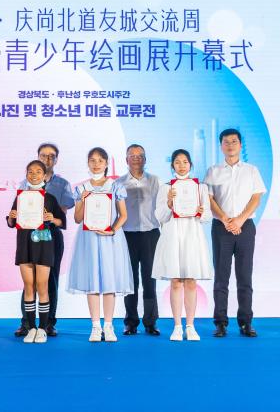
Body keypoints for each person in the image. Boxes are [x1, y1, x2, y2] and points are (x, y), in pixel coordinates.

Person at [67, 147, 134, 342]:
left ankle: (109, 325)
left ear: (106, 164)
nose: (96, 164)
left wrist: (112, 230)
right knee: (93, 281)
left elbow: (123, 215)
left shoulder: (115, 186)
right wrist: (82, 201)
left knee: (109, 281)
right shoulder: (82, 188)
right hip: (88, 239)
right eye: (92, 160)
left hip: (110, 239)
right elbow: (77, 218)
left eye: (100, 160)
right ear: (88, 163)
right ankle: (96, 326)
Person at [204, 128, 266, 337]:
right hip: (221, 227)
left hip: (245, 226)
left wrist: (239, 219)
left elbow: (256, 198)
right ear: (221, 146)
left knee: (244, 276)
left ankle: (245, 322)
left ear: (240, 145)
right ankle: (220, 323)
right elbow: (209, 199)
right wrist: (225, 219)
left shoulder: (251, 170)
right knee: (221, 277)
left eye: (234, 141)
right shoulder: (213, 171)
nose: (230, 145)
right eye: (226, 142)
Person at [14, 143, 74, 338]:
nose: (47, 159)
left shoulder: (62, 184)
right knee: (29, 281)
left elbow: (62, 213)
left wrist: (50, 219)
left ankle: (48, 324)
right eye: (43, 155)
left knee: (50, 279)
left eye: (51, 156)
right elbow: (18, 212)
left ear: (56, 160)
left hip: (51, 235)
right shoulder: (24, 184)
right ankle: (27, 323)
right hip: (28, 236)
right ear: (37, 156)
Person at [152, 149, 213, 341]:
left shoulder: (200, 187)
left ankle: (190, 326)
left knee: (191, 281)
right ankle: (177, 326)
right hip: (173, 235)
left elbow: (207, 216)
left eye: (185, 162)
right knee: (176, 281)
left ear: (190, 165)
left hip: (192, 235)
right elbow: (160, 216)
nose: (181, 165)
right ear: (172, 166)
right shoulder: (166, 187)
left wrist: (201, 211)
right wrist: (169, 204)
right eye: (177, 162)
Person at [7, 160, 66, 343]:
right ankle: (31, 328)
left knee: (42, 286)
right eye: (30, 172)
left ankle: (42, 328)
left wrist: (52, 218)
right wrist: (11, 217)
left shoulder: (50, 198)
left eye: (38, 171)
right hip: (24, 245)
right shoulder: (20, 197)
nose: (34, 175)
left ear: (44, 175)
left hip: (44, 246)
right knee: (28, 286)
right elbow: (11, 222)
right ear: (26, 175)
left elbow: (61, 222)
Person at [116, 144, 161, 336]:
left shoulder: (155, 181)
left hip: (151, 234)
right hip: (127, 235)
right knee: (130, 281)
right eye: (132, 155)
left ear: (145, 159)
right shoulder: (118, 183)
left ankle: (151, 322)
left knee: (150, 280)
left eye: (140, 155)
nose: (136, 158)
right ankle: (131, 322)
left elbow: (163, 207)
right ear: (126, 160)